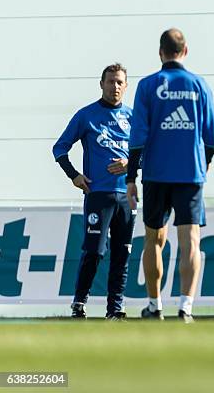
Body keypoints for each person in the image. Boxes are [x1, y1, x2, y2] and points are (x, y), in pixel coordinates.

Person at [126, 28, 214, 323]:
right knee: (191, 240)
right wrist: (205, 164)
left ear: (160, 52)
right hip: (190, 174)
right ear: (185, 50)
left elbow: (137, 136)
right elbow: (212, 137)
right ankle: (186, 308)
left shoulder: (148, 85)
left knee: (154, 240)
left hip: (155, 174)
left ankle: (155, 306)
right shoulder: (199, 85)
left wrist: (130, 177)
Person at [52, 63, 134, 320]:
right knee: (95, 251)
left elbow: (150, 153)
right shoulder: (86, 115)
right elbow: (59, 148)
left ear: (126, 85)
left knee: (123, 252)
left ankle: (115, 309)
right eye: (110, 81)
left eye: (120, 82)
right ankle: (79, 302)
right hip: (98, 195)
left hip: (126, 196)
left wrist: (130, 164)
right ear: (101, 84)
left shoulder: (134, 117)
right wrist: (74, 175)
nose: (115, 86)